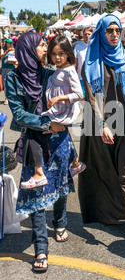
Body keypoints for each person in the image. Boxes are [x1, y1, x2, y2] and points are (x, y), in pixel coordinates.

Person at [6, 31, 77, 272]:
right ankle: (41, 249)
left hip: (59, 141)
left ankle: (60, 222)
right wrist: (47, 124)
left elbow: (73, 97)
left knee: (59, 186)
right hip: (34, 141)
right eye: (40, 45)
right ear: (27, 50)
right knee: (36, 195)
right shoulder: (13, 78)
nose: (44, 49)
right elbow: (19, 114)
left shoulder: (50, 74)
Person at [78, 14, 125, 235]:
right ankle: (104, 213)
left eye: (117, 30)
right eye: (109, 31)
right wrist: (101, 125)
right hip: (98, 124)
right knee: (103, 170)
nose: (114, 35)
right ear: (101, 32)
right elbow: (90, 97)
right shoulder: (90, 61)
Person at [20, 35, 85, 190]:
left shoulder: (69, 71)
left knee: (33, 131)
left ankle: (38, 173)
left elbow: (79, 94)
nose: (57, 57)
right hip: (57, 111)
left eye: (61, 53)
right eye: (54, 54)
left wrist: (58, 99)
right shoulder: (58, 70)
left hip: (63, 112)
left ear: (68, 53)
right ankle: (76, 162)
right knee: (44, 128)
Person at [1, 38, 17, 105]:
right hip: (5, 68)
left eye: (11, 43)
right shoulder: (3, 50)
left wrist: (15, 62)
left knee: (13, 83)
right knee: (5, 83)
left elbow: (17, 58)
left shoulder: (14, 50)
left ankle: (13, 98)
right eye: (9, 43)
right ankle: (6, 99)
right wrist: (7, 51)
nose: (11, 44)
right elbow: (1, 57)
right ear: (6, 44)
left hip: (12, 67)